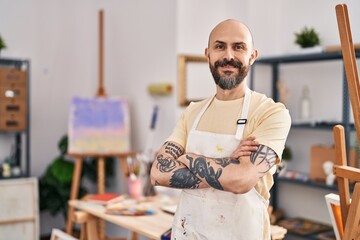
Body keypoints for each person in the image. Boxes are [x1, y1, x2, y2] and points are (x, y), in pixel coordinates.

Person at [150, 19, 291, 240]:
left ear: (252, 55)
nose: (228, 56)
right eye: (219, 46)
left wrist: (188, 157)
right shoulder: (192, 112)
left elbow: (242, 181)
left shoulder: (271, 113)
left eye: (238, 47)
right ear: (208, 54)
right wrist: (229, 165)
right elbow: (158, 173)